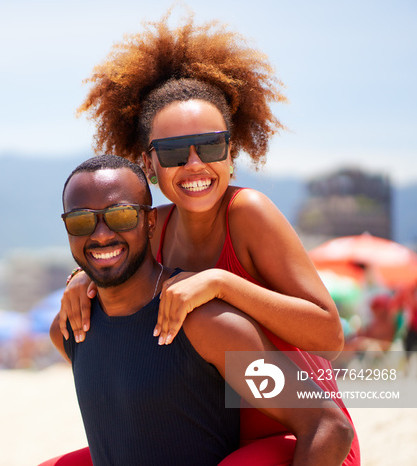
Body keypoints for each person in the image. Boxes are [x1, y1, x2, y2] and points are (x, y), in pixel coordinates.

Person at [57, 10, 360, 465]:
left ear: (231, 153)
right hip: (214, 430)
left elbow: (329, 336)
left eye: (211, 146)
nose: (195, 164)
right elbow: (114, 264)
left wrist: (222, 282)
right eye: (175, 152)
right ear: (149, 166)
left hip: (299, 437)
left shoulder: (248, 213)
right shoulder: (151, 229)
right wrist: (84, 279)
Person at [42, 155, 353, 466]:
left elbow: (329, 426)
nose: (100, 234)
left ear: (150, 222)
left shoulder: (208, 325)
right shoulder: (71, 328)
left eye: (121, 216)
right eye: (81, 221)